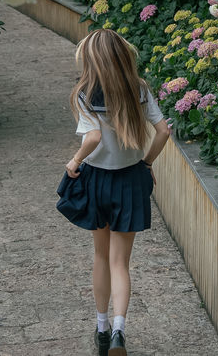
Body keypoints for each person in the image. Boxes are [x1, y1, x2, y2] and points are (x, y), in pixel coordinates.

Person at [56, 27, 171, 356]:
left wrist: (73, 161)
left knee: (101, 256)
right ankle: (120, 329)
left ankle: (103, 327)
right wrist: (147, 163)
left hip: (96, 180)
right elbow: (163, 131)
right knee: (121, 262)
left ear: (93, 60)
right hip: (131, 179)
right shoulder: (140, 89)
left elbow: (91, 139)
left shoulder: (85, 92)